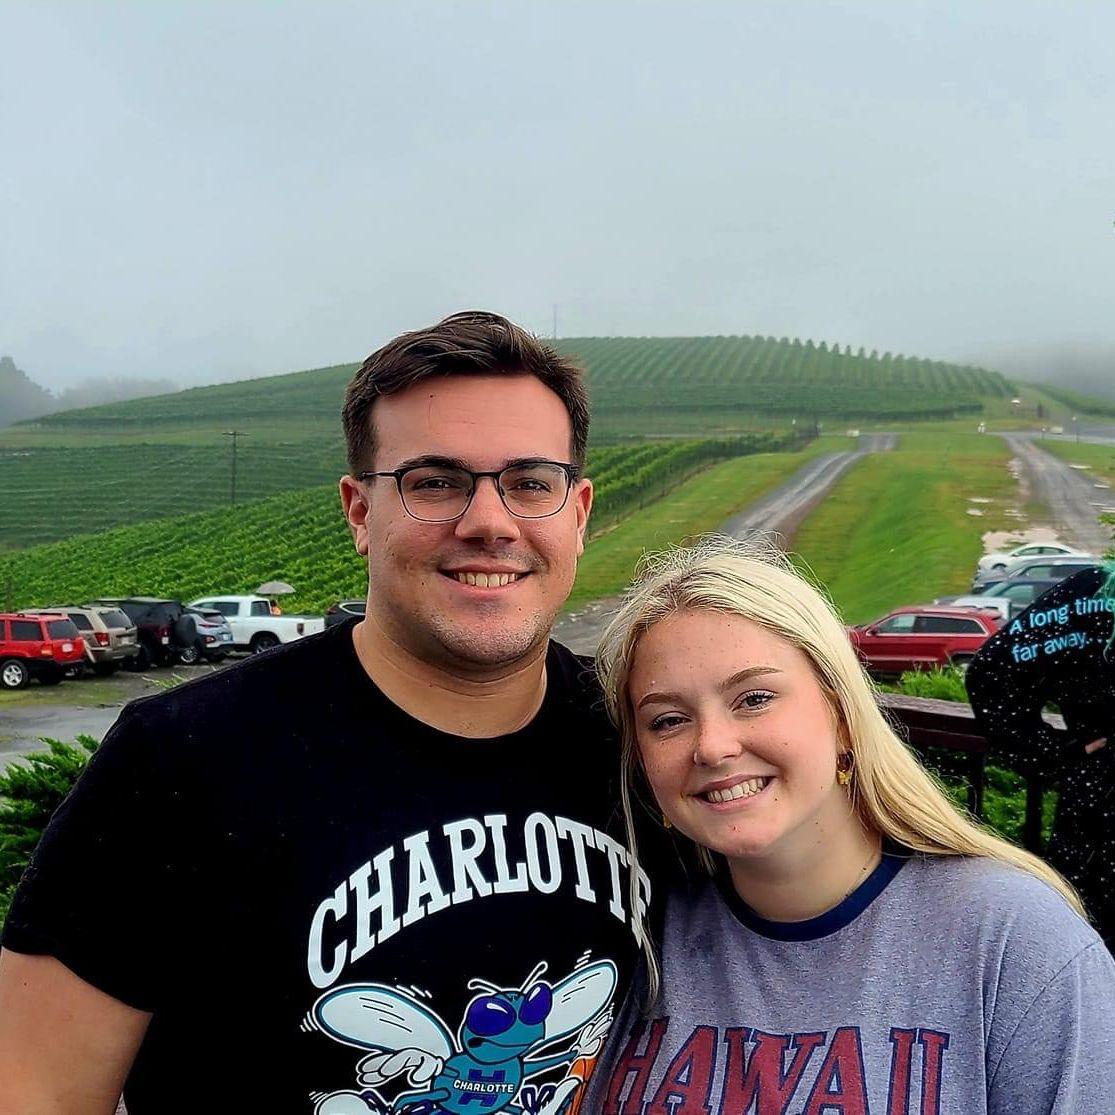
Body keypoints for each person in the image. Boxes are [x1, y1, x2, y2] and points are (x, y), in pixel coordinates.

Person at [0, 312, 654, 1115]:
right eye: (435, 481)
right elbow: (35, 1091)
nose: (488, 521)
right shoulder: (182, 759)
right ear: (357, 511)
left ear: (578, 512)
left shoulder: (645, 741)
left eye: (529, 481)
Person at [588, 536, 1115, 1114]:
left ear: (841, 714)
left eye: (754, 698)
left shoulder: (1017, 944)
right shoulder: (624, 938)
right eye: (667, 720)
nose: (712, 746)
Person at [966, 562, 1115, 952]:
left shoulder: (1092, 593)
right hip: (1099, 824)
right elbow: (992, 674)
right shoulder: (1097, 594)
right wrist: (1059, 753)